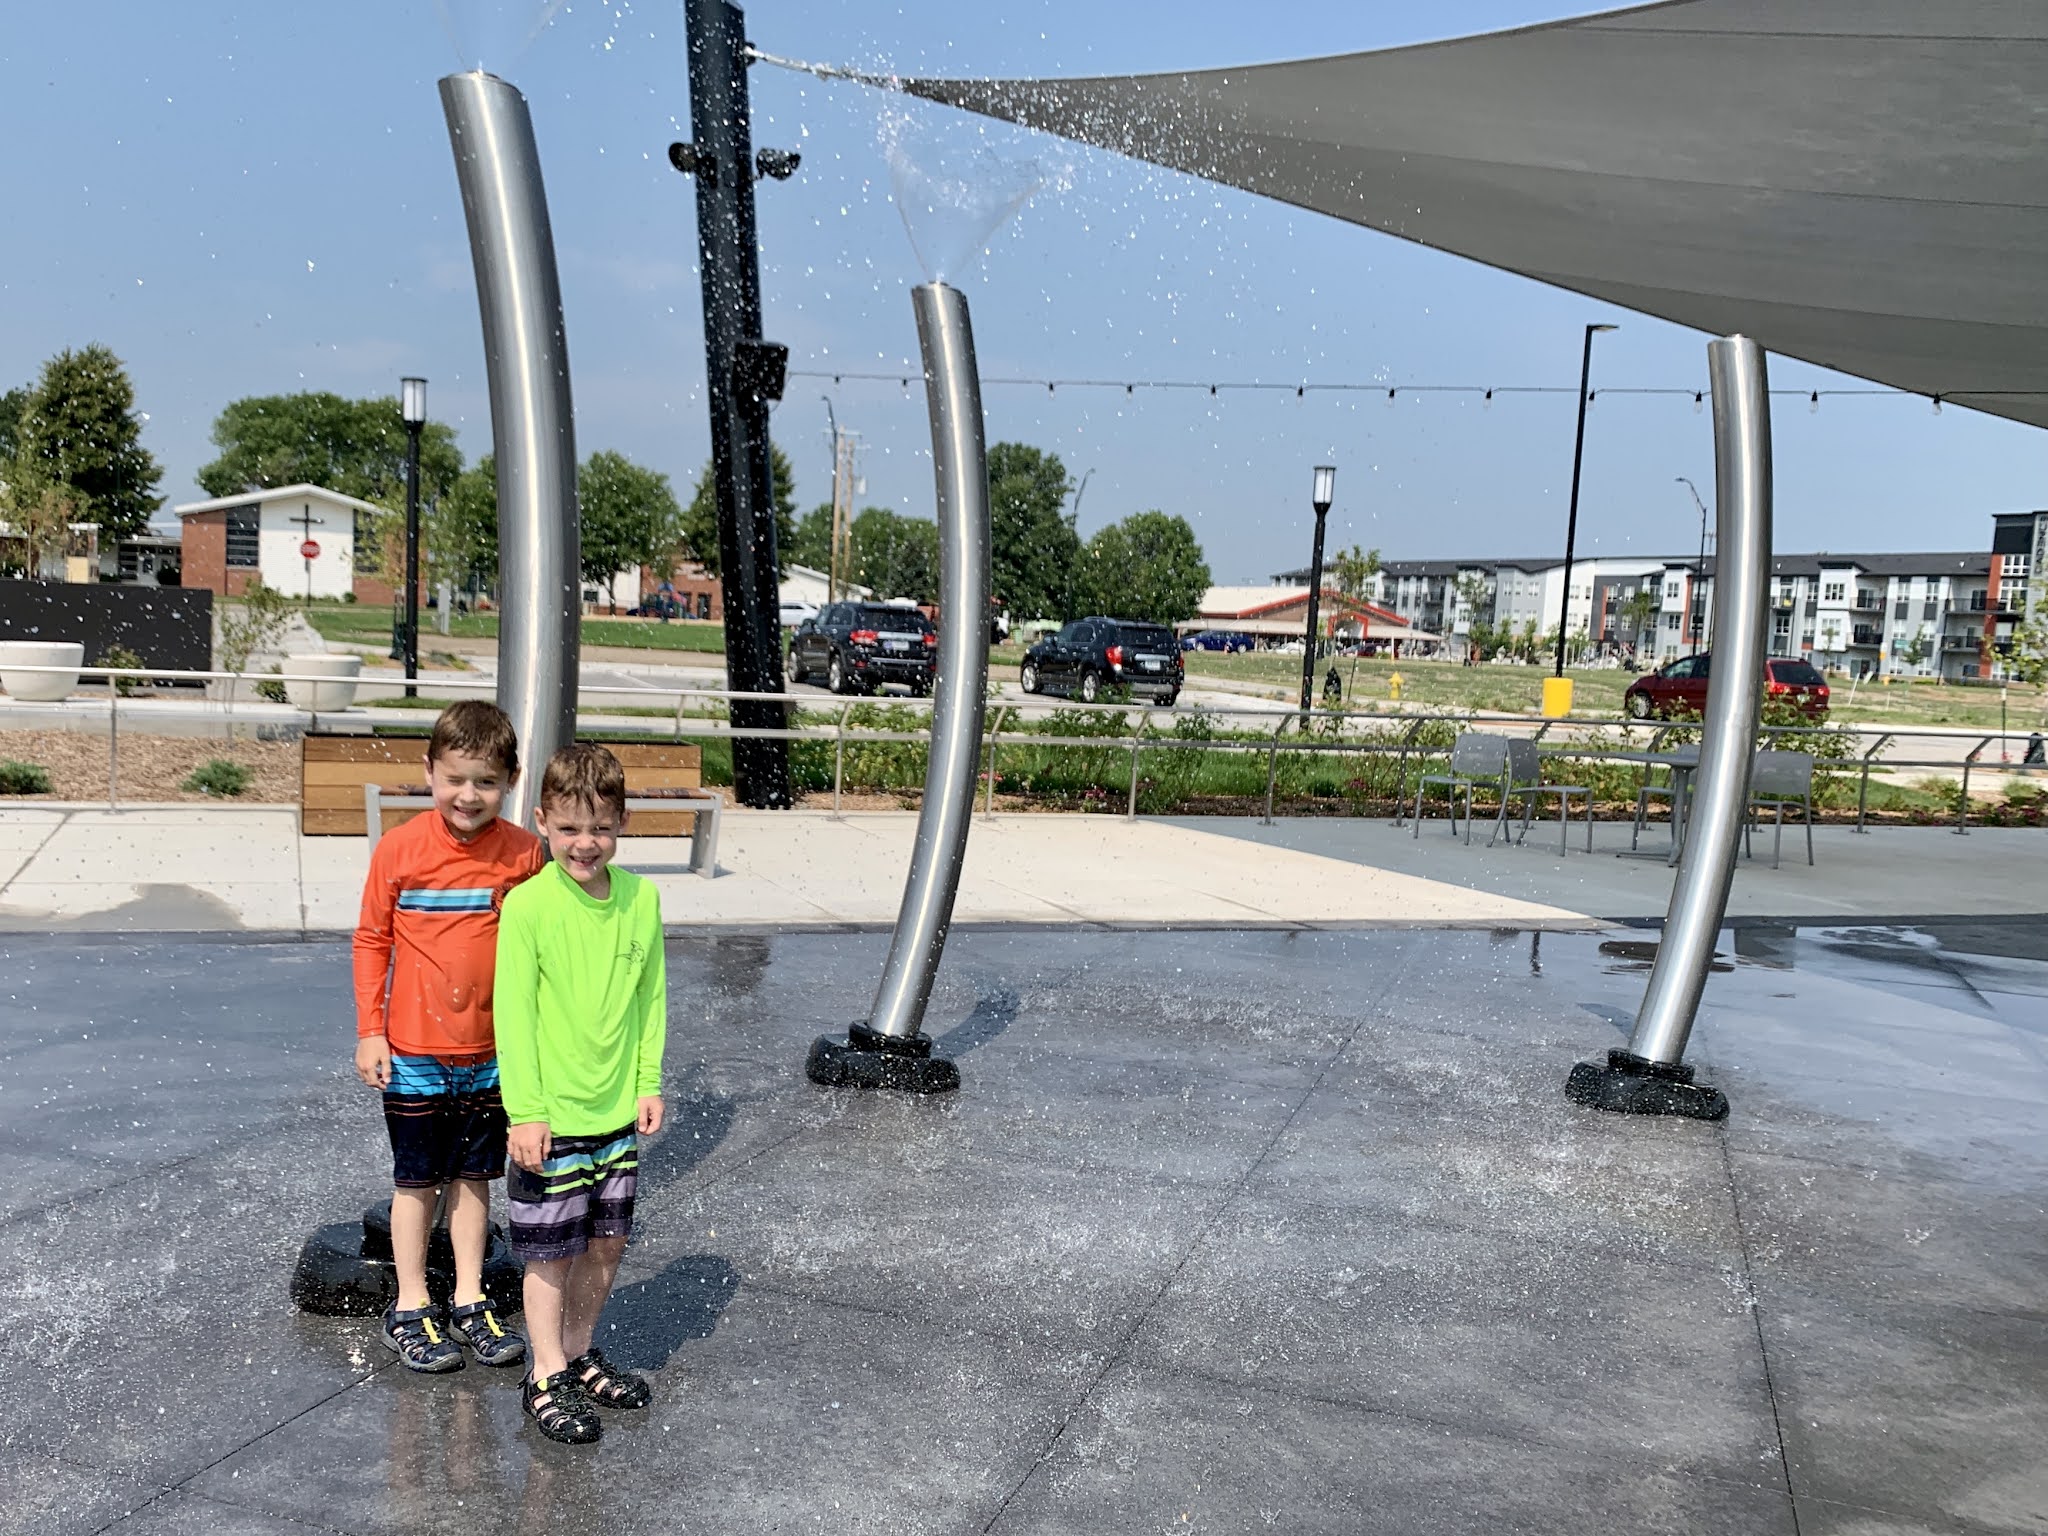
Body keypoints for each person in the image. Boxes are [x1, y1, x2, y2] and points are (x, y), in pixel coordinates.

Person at [353, 700, 546, 1375]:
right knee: (416, 1183)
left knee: (473, 1179)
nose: (469, 796)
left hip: (492, 1058)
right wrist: (370, 1031)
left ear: (511, 780)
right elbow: (372, 940)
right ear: (429, 771)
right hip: (414, 1054)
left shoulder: (524, 856)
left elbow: (541, 951)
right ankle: (411, 1304)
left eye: (486, 782)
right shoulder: (401, 850)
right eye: (456, 778)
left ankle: (468, 1298)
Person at [495, 744, 668, 1446]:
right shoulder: (529, 906)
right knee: (548, 1254)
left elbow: (650, 997)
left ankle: (575, 1349)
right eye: (568, 828)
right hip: (554, 1119)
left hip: (614, 1119)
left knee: (606, 1246)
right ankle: (543, 1374)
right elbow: (514, 1016)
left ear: (621, 822)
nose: (584, 844)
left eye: (598, 828)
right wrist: (525, 1111)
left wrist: (647, 1080)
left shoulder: (641, 899)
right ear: (541, 821)